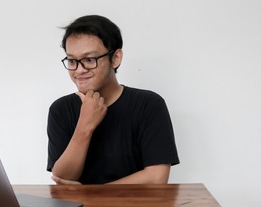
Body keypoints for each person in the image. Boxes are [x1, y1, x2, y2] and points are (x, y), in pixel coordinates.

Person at [47, 15, 179, 185]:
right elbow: (62, 180)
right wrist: (84, 127)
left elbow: (156, 177)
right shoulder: (61, 109)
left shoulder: (149, 104)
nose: (79, 70)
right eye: (72, 61)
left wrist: (91, 195)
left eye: (89, 59)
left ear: (115, 58)